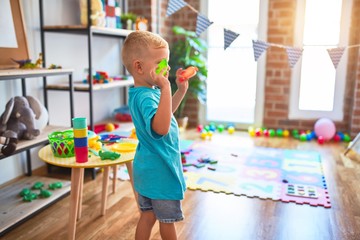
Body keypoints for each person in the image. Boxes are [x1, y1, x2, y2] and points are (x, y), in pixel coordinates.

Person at [122, 30, 191, 240]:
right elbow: (161, 129)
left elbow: (165, 116)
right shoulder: (147, 98)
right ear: (139, 67)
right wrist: (166, 89)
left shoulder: (142, 94)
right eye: (161, 63)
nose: (167, 68)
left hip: (147, 172)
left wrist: (179, 92)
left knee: (147, 216)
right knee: (166, 223)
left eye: (167, 63)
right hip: (160, 173)